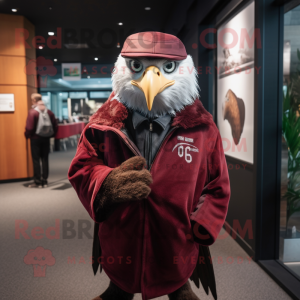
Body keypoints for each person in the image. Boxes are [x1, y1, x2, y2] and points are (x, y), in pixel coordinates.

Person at [25, 96, 58, 188]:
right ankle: (45, 180)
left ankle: (38, 181)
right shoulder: (49, 112)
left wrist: (27, 135)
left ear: (34, 101)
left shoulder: (33, 112)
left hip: (35, 138)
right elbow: (55, 126)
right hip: (46, 138)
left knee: (36, 160)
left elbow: (30, 127)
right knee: (45, 159)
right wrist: (51, 135)